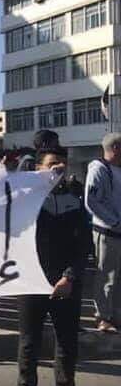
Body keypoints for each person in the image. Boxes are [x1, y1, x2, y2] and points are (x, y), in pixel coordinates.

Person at [18, 147, 92, 386]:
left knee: (67, 341)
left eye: (63, 162)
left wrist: (69, 276)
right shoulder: (25, 200)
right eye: (52, 163)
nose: (59, 167)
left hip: (67, 283)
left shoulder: (75, 198)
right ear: (38, 168)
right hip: (31, 282)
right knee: (29, 341)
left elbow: (84, 244)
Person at [84, 132, 121, 333]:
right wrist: (114, 221)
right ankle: (103, 316)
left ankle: (116, 314)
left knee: (118, 277)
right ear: (115, 148)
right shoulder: (99, 168)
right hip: (108, 231)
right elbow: (92, 201)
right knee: (107, 275)